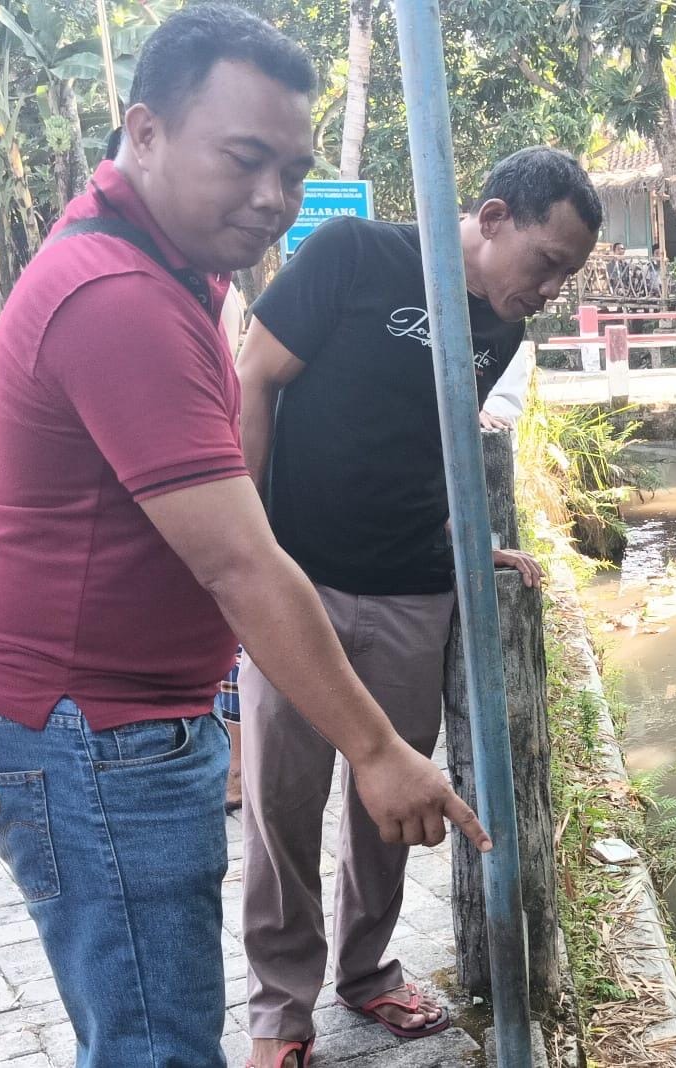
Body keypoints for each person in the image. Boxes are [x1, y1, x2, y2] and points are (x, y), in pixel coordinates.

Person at [0, 8, 489, 1067]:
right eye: (243, 160)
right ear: (146, 131)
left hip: (103, 715)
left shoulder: (164, 268)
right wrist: (379, 749)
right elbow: (238, 559)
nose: (273, 198)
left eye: (294, 170)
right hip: (92, 730)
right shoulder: (119, 296)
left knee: (142, 1028)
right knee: (157, 1047)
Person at [233, 146, 598, 1068]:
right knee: (281, 804)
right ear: (492, 216)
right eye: (547, 260)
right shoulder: (355, 256)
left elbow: (431, 444)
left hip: (414, 592)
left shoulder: (502, 331)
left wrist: (467, 536)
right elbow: (255, 378)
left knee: (389, 800)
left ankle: (365, 971)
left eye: (569, 273)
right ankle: (280, 1011)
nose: (552, 286)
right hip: (297, 585)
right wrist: (249, 546)